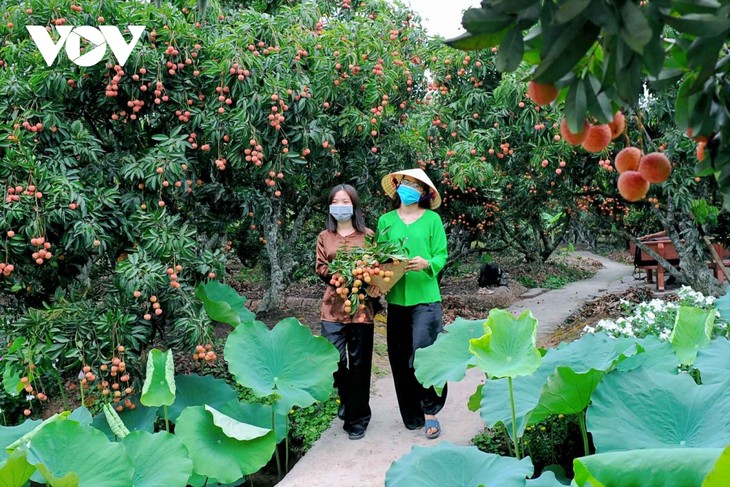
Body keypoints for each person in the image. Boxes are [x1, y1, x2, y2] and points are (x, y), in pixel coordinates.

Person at [376, 168, 448, 439]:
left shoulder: (432, 220)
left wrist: (428, 263)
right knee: (398, 358)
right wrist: (379, 280)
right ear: (397, 186)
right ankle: (412, 414)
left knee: (425, 355)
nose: (409, 188)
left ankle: (431, 410)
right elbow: (380, 257)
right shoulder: (385, 220)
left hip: (426, 299)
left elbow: (441, 254)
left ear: (425, 193)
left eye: (416, 186)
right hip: (396, 299)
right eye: (405, 183)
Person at [315, 183, 380, 440]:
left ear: (354, 205)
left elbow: (377, 267)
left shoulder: (368, 236)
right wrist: (341, 275)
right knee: (335, 362)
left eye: (346, 201)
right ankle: (346, 397)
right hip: (332, 308)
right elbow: (321, 267)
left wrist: (373, 284)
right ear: (330, 206)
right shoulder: (324, 237)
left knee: (360, 365)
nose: (341, 206)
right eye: (336, 201)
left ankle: (358, 419)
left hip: (362, 309)